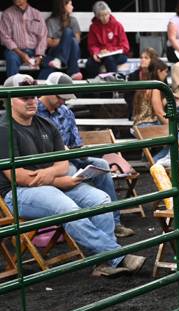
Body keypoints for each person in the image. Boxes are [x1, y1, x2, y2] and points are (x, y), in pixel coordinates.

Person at [0, 74, 146, 278]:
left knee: (101, 199)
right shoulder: (3, 129)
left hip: (49, 186)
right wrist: (56, 177)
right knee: (68, 208)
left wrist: (49, 176)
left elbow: (62, 164)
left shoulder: (45, 124)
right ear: (8, 100)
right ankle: (115, 255)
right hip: (16, 194)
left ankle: (103, 263)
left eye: (32, 96)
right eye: (24, 97)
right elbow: (21, 178)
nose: (31, 100)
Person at [37, 72, 136, 238]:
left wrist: (81, 151)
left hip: (70, 156)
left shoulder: (65, 112)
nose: (63, 101)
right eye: (61, 97)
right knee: (75, 169)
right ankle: (91, 217)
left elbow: (76, 141)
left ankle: (114, 221)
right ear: (49, 90)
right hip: (51, 163)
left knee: (101, 164)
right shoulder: (35, 114)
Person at [0, 0, 48, 77]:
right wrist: (21, 54)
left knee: (49, 62)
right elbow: (5, 37)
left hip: (34, 51)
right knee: (12, 59)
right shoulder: (7, 14)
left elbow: (43, 36)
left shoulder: (36, 14)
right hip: (15, 51)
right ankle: (13, 87)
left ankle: (40, 86)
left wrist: (39, 55)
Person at [85, 2, 129, 79]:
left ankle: (113, 86)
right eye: (101, 15)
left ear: (109, 13)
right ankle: (94, 87)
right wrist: (95, 53)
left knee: (109, 59)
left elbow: (125, 47)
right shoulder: (93, 27)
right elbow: (92, 44)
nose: (105, 17)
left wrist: (109, 51)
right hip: (101, 55)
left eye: (106, 14)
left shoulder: (117, 25)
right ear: (97, 16)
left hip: (118, 55)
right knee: (90, 64)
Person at [39, 0, 82, 80]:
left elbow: (77, 40)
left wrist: (64, 40)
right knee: (69, 35)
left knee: (70, 35)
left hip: (72, 52)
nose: (72, 7)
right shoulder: (51, 21)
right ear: (64, 6)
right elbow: (49, 42)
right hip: (55, 52)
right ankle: (73, 71)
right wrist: (64, 41)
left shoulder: (73, 20)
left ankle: (59, 60)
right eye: (70, 4)